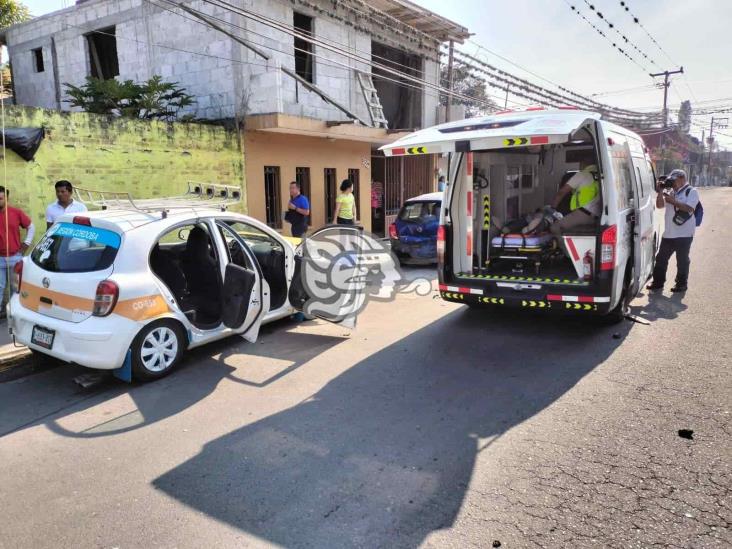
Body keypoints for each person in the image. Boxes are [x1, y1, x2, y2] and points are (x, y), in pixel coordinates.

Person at [647, 169, 699, 293]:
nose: (672, 183)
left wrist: (673, 201)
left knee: (682, 261)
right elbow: (660, 206)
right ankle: (658, 283)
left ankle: (681, 284)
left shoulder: (691, 191)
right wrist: (660, 192)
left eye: (673, 180)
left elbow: (689, 208)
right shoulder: (670, 192)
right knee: (660, 259)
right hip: (669, 233)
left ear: (682, 178)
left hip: (684, 234)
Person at [549, 159, 601, 257]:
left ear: (583, 165)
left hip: (584, 214)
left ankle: (568, 256)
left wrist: (552, 208)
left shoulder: (582, 174)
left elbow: (562, 192)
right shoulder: (602, 175)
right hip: (598, 216)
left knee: (554, 227)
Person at [0, 186, 35, 319]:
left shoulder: (16, 212)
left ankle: (16, 312)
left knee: (16, 287)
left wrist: (26, 244)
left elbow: (31, 227)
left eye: (0, 198)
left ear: (6, 198)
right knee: (0, 287)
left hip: (15, 256)